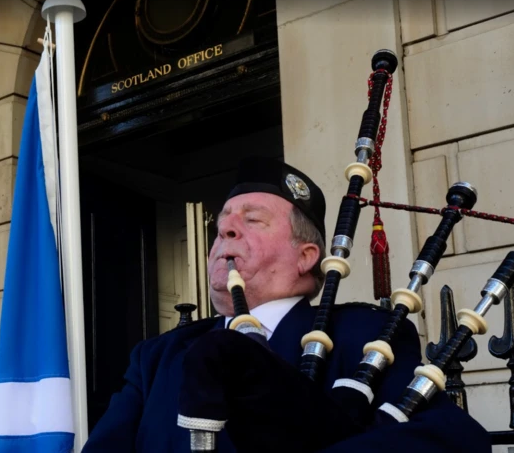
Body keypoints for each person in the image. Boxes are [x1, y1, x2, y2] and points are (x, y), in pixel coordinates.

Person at [82, 157, 491, 452]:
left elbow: (452, 439)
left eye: (252, 219)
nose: (224, 228)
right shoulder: (156, 357)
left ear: (306, 256)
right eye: (223, 220)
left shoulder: (363, 336)